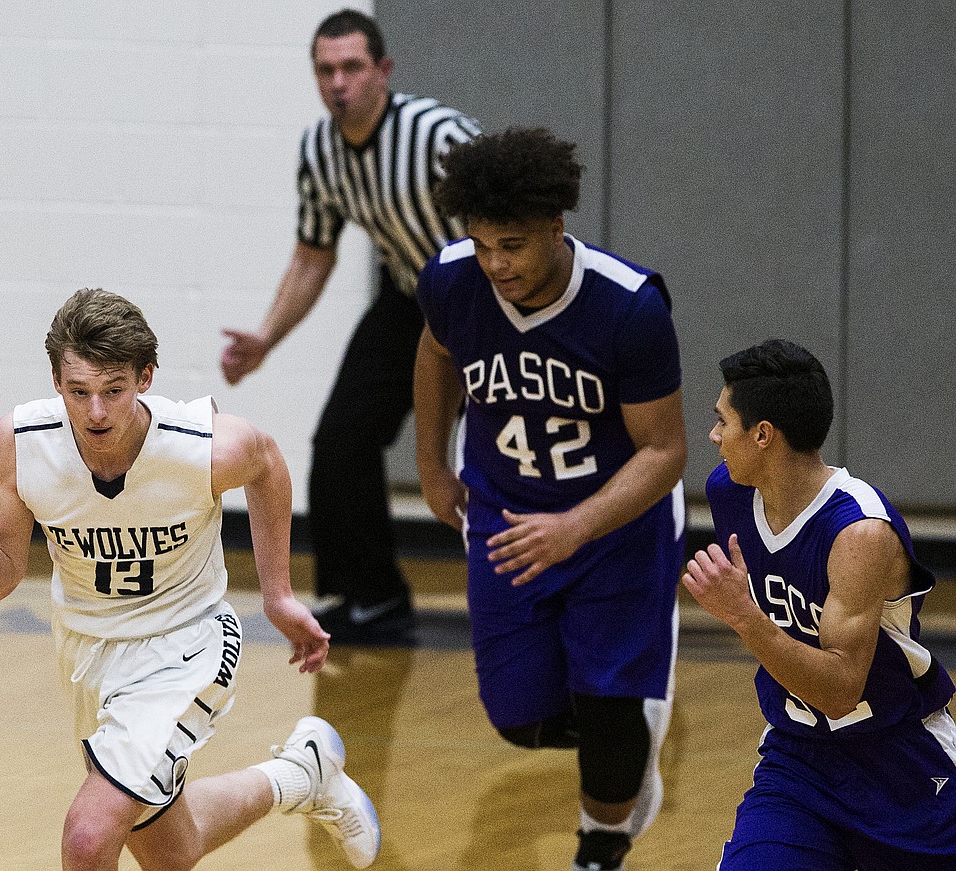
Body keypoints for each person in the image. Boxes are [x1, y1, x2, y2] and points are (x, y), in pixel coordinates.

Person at [0, 288, 381, 871]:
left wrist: (278, 595)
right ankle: (300, 774)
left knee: (88, 839)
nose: (97, 412)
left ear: (146, 377)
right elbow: (1, 576)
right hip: (88, 654)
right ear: (56, 381)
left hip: (188, 643)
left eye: (114, 390)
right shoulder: (21, 442)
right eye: (79, 392)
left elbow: (267, 461)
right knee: (170, 849)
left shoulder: (200, 448)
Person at [413, 128, 687, 871]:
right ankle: (625, 738)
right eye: (482, 247)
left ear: (554, 229)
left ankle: (601, 839)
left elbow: (666, 452)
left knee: (607, 705)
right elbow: (436, 352)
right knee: (519, 717)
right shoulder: (449, 280)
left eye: (513, 246)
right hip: (504, 510)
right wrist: (431, 464)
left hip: (614, 524)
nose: (496, 265)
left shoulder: (629, 308)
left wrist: (575, 527)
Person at [219, 9, 481, 643]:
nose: (339, 82)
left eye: (353, 68)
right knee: (339, 440)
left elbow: (513, 221)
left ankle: (542, 600)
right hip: (408, 300)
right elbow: (313, 257)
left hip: (486, 301)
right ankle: (371, 598)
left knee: (500, 451)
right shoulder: (318, 151)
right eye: (326, 70)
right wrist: (266, 338)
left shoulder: (440, 137)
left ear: (383, 71)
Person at [682, 339, 956, 870]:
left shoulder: (859, 531)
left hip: (900, 762)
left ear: (763, 435)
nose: (714, 437)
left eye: (723, 422)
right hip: (800, 761)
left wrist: (742, 615)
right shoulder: (730, 491)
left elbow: (838, 690)